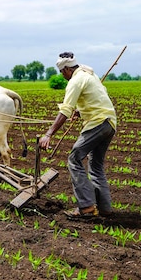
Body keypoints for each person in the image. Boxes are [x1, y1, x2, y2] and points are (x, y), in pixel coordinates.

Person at [39, 51, 117, 219]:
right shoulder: (89, 73)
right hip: (110, 123)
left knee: (74, 158)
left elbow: (65, 110)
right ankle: (104, 208)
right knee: (95, 165)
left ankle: (87, 207)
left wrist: (48, 134)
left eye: (62, 72)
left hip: (97, 122)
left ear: (66, 69)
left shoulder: (75, 80)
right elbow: (97, 98)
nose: (63, 76)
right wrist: (81, 112)